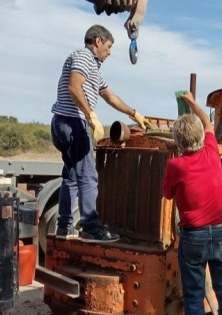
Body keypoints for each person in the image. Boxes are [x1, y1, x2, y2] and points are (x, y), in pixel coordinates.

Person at [50, 24, 149, 241]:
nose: (110, 52)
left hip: (62, 123)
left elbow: (110, 97)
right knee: (88, 176)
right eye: (109, 46)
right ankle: (91, 227)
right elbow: (74, 87)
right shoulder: (84, 57)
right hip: (73, 122)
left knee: (72, 177)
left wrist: (135, 114)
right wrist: (91, 115)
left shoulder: (94, 68)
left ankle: (64, 227)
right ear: (98, 41)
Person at [162, 92, 222, 315]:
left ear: (178, 142)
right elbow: (208, 124)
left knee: (195, 298)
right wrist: (193, 101)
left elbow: (167, 195)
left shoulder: (175, 165)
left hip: (193, 238)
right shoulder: (212, 150)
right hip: (221, 234)